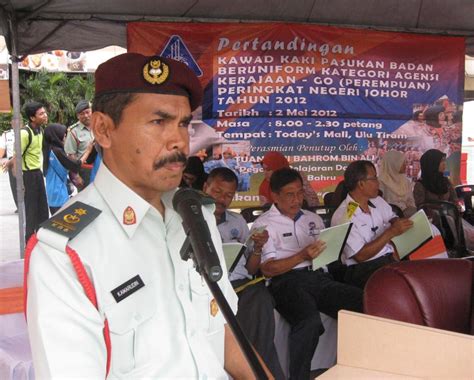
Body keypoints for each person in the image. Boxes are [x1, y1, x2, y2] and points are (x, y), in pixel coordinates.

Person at [25, 53, 266, 379]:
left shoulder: (196, 215)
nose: (179, 140)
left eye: (183, 123)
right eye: (158, 122)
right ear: (103, 129)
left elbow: (223, 332)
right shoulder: (65, 253)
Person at [253, 167, 363, 380]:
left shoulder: (313, 219)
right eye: (290, 194)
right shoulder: (263, 224)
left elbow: (327, 256)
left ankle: (353, 369)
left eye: (300, 193)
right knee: (308, 321)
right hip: (285, 282)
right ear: (275, 196)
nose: (297, 199)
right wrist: (302, 256)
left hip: (317, 277)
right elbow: (268, 269)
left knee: (362, 301)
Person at [203, 167, 285, 380]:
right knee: (258, 305)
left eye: (228, 195)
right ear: (205, 188)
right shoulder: (192, 223)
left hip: (241, 284)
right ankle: (262, 371)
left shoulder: (237, 222)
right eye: (217, 192)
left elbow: (250, 269)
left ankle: (254, 369)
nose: (222, 199)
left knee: (260, 298)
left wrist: (258, 248)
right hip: (210, 289)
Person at [331, 160, 413, 288]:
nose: (378, 182)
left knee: (428, 258)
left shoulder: (378, 201)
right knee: (408, 283)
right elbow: (360, 256)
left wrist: (398, 222)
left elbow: (392, 217)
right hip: (363, 268)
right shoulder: (344, 215)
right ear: (361, 184)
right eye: (374, 178)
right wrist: (391, 232)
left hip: (392, 256)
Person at [16, 101, 50, 241]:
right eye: (41, 114)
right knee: (31, 211)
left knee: (43, 209)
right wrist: (20, 183)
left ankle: (41, 239)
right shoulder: (25, 133)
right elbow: (17, 157)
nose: (45, 115)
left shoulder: (40, 131)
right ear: (32, 118)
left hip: (38, 173)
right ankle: (29, 241)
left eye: (44, 112)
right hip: (28, 175)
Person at [43, 123, 94, 214]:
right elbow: (75, 165)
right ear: (56, 136)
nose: (65, 138)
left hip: (52, 191)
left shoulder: (49, 149)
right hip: (59, 192)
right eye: (64, 135)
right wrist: (88, 151)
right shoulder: (57, 151)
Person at [64, 99, 94, 190]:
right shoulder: (73, 132)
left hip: (100, 169)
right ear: (77, 116)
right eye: (82, 114)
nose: (86, 115)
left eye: (87, 112)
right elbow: (71, 156)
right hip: (84, 171)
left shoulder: (98, 126)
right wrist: (75, 176)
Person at [378, 150, 417, 217]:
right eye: (402, 163)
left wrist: (410, 210)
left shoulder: (406, 181)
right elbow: (380, 205)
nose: (405, 165)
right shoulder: (380, 182)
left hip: (408, 215)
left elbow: (411, 200)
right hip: (389, 218)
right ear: (393, 163)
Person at [0, 127, 18, 211]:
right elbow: (2, 149)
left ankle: (26, 204)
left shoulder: (26, 131)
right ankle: (19, 205)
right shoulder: (7, 135)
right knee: (14, 185)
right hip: (11, 162)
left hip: (24, 160)